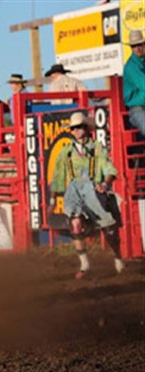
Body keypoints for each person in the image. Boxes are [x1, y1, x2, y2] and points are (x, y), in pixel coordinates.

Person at [50, 112, 125, 279]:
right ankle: (84, 264)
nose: (76, 130)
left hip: (93, 189)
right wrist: (52, 200)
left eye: (78, 127)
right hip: (74, 190)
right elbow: (58, 177)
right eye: (73, 128)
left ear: (86, 128)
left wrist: (105, 184)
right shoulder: (66, 152)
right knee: (75, 223)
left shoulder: (97, 148)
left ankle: (118, 256)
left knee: (109, 228)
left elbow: (110, 170)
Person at [122, 30, 145, 149]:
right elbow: (143, 84)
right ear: (131, 48)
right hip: (137, 109)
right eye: (134, 46)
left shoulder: (141, 63)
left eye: (140, 45)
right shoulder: (131, 66)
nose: (137, 48)